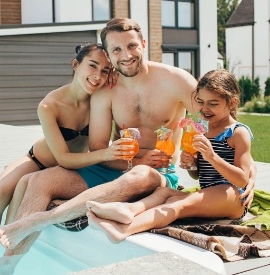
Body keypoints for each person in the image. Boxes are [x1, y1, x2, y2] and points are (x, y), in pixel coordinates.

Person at [0, 18, 247, 275]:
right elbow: (99, 149)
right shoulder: (106, 92)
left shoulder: (176, 81)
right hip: (118, 165)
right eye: (117, 50)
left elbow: (216, 118)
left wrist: (242, 168)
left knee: (142, 175)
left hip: (158, 172)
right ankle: (8, 264)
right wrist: (134, 158)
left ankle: (38, 220)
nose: (126, 55)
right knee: (39, 179)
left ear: (143, 44)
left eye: (131, 46)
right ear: (108, 54)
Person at [0, 43, 134, 269]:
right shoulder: (50, 105)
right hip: (38, 160)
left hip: (70, 167)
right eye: (92, 66)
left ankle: (2, 246)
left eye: (105, 71)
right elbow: (64, 158)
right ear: (76, 65)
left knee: (19, 203)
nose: (97, 76)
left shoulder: (100, 99)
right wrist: (106, 153)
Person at [86, 69, 254, 243]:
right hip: (210, 193)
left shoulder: (238, 133)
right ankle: (128, 210)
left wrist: (212, 157)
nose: (205, 109)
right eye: (200, 102)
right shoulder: (203, 130)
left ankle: (124, 230)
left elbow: (241, 179)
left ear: (232, 102)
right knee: (164, 192)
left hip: (232, 195)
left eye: (213, 104)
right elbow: (198, 175)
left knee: (177, 204)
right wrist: (193, 164)